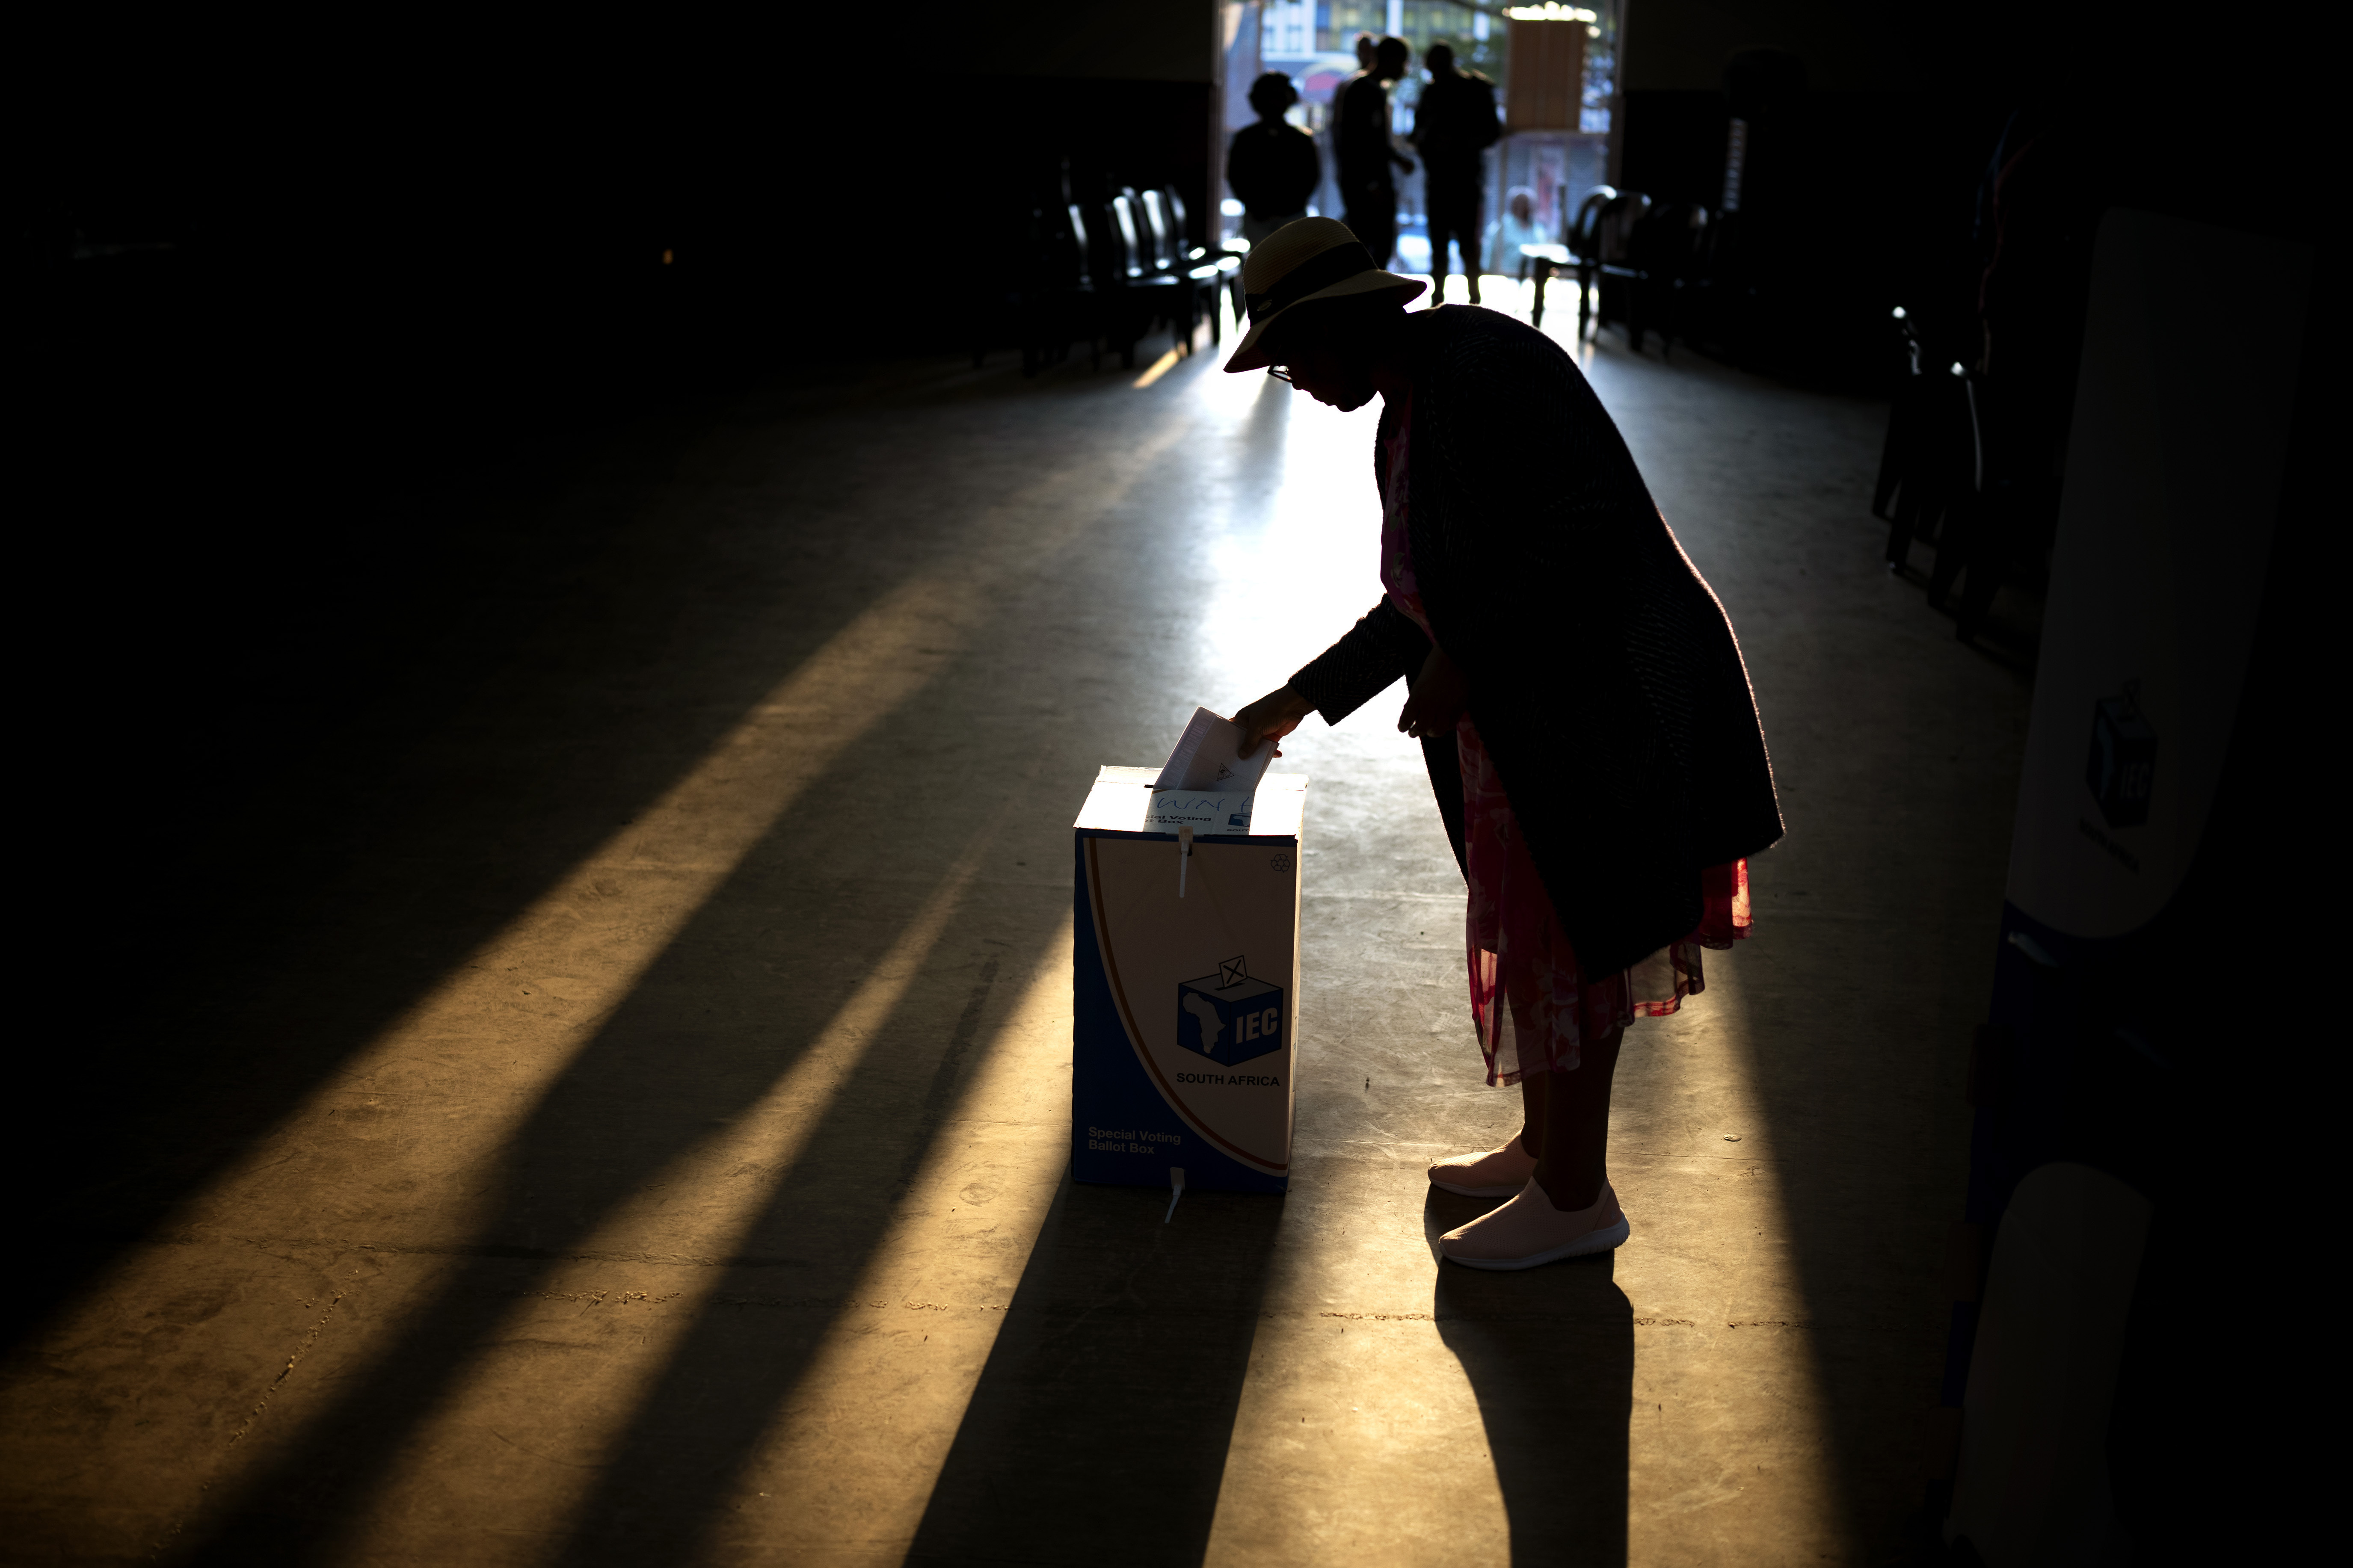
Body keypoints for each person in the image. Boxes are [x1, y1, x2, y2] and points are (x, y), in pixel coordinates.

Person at [1221, 219, 1782, 1270]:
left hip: (1601, 698)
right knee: (1541, 938)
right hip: (1540, 703)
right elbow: (1418, 603)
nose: (1289, 379)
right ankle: (1545, 1148)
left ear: (1334, 323)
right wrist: (1296, 698)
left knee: (1574, 941)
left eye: (1290, 354)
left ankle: (1577, 1196)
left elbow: (1591, 518)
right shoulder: (1410, 403)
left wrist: (1468, 653)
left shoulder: (1482, 367)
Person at [1411, 42, 1500, 304]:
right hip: (1452, 178)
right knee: (1453, 244)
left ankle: (1459, 298)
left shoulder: (1464, 90)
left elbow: (1491, 132)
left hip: (1459, 178)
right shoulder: (1460, 90)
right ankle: (1463, 298)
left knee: (1460, 244)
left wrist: (1455, 144)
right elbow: (1418, 134)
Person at [1335, 35, 1416, 266]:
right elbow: (1357, 143)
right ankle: (1370, 299)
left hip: (1365, 182)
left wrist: (1397, 159)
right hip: (1367, 184)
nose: (1405, 69)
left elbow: (1370, 140)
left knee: (1373, 246)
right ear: (1390, 60)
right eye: (1403, 62)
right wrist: (1372, 183)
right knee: (1374, 247)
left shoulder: (1368, 89)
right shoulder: (1364, 90)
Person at [1227, 73, 1321, 248]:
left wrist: (1287, 208)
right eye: (1269, 97)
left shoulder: (1302, 140)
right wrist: (1257, 207)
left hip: (1291, 216)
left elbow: (1310, 179)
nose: (1273, 103)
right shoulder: (1246, 139)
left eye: (1279, 97)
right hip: (1259, 217)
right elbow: (1237, 177)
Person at [1482, 186, 1548, 278]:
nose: (1529, 207)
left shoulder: (1538, 230)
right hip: (1504, 279)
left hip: (1532, 280)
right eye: (1525, 204)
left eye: (1530, 204)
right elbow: (1487, 258)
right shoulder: (1500, 228)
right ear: (1514, 205)